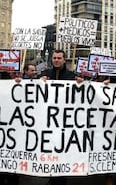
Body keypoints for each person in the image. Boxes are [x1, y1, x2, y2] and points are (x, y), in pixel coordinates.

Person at [40, 50, 83, 185]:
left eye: (59, 58)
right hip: (49, 121)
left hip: (66, 121)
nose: (56, 60)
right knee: (51, 150)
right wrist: (38, 82)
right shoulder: (45, 74)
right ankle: (52, 177)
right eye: (54, 58)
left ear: (65, 60)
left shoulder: (71, 76)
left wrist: (81, 83)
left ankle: (61, 178)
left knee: (63, 150)